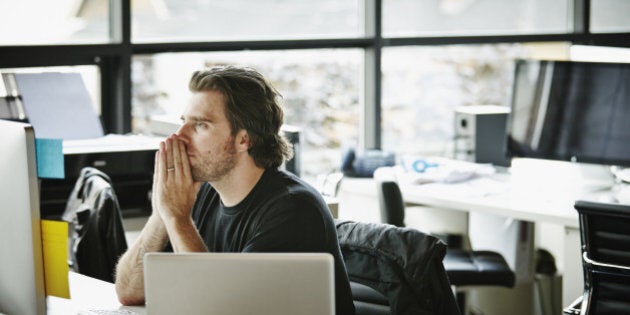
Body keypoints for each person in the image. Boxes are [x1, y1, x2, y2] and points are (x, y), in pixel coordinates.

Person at [114, 66, 355, 314]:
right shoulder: (202, 192)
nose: (179, 136)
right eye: (183, 122)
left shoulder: (293, 210)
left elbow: (218, 311)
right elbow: (129, 292)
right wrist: (161, 213)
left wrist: (177, 217)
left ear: (243, 140)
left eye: (201, 125)